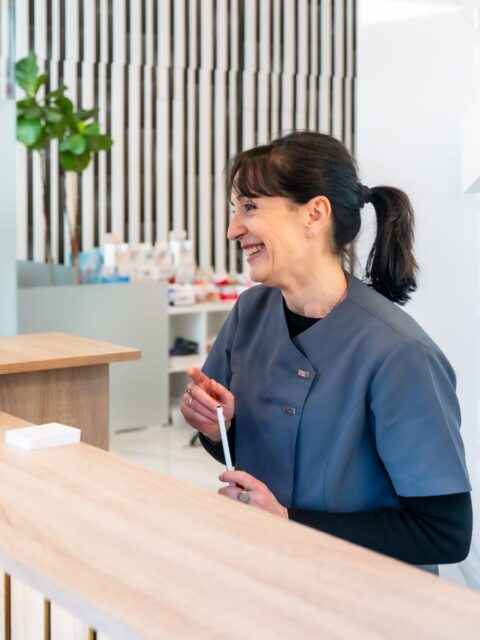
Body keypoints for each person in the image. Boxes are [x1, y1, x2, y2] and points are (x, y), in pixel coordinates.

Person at [181, 131, 472, 570]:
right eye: (234, 210)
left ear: (314, 214)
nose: (233, 229)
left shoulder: (398, 353)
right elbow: (246, 454)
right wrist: (217, 429)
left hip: (363, 594)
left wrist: (289, 523)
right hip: (264, 569)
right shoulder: (250, 313)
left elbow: (443, 533)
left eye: (250, 207)